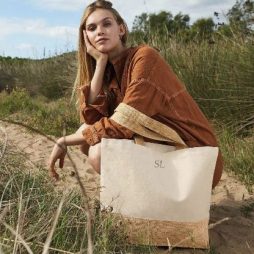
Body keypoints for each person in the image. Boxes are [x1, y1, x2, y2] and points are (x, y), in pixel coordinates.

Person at [48, 0, 223, 188]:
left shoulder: (144, 57)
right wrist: (99, 63)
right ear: (86, 37)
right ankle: (142, 204)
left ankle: (153, 206)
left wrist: (64, 141)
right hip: (166, 152)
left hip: (196, 157)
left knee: (98, 151)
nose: (99, 31)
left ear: (121, 29)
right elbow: (92, 118)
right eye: (91, 28)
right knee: (86, 135)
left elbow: (124, 123)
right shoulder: (109, 72)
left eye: (107, 24)